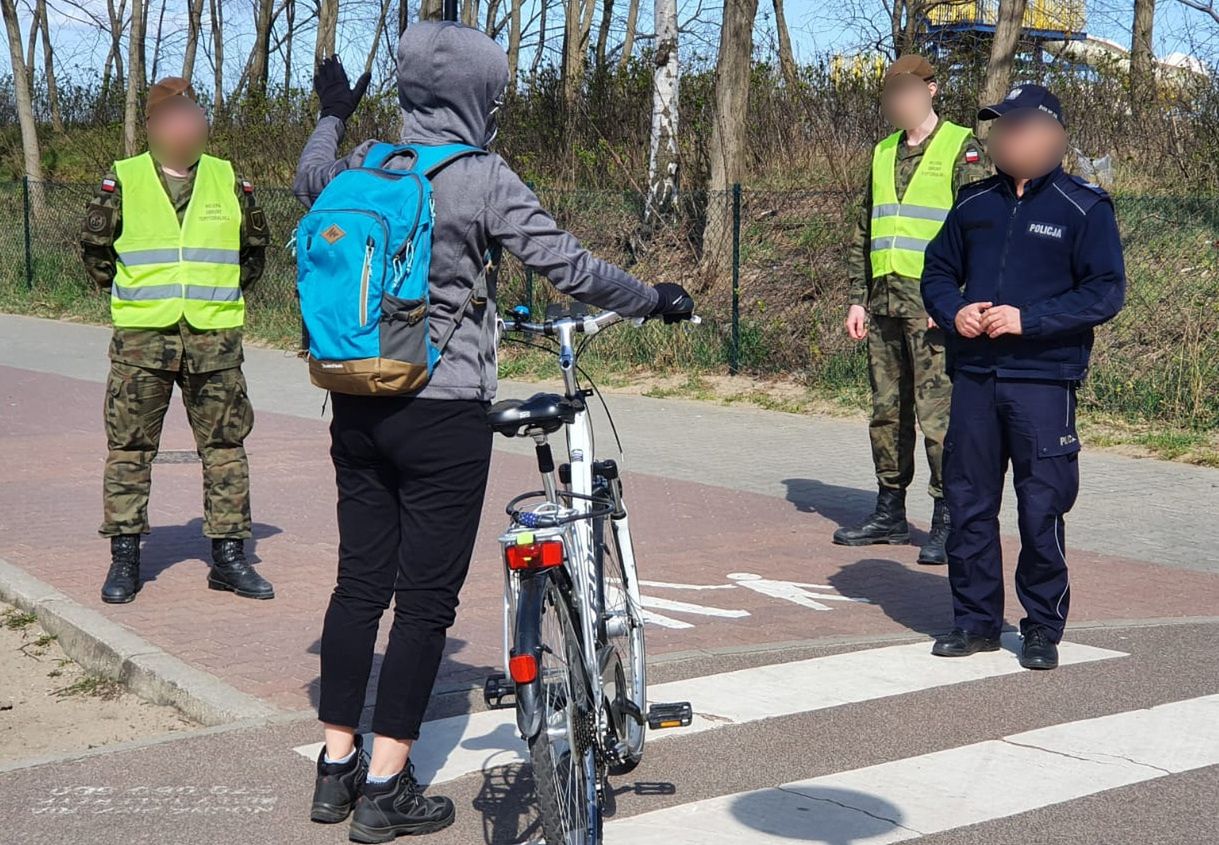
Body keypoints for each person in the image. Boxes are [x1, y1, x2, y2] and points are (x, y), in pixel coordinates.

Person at [292, 22, 694, 841]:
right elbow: (569, 269)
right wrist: (652, 297)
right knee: (425, 602)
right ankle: (385, 785)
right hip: (441, 411)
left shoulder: (360, 163)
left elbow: (307, 178)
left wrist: (333, 112)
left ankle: (333, 770)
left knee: (360, 582)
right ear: (480, 97)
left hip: (353, 399)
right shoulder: (478, 176)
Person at [921, 84, 1126, 670]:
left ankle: (1041, 627)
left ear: (1048, 131)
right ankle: (975, 622)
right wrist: (952, 309)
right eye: (999, 127)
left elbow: (1105, 293)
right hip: (976, 378)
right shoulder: (972, 203)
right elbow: (936, 271)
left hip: (1042, 382)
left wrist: (1028, 320)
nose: (1004, 136)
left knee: (1041, 508)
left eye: (1015, 125)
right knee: (968, 504)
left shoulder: (1083, 206)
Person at [81, 77, 274, 605]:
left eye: (191, 116)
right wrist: (133, 300)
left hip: (214, 341)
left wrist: (217, 302)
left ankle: (230, 559)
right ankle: (125, 559)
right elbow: (96, 252)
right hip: (143, 341)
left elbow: (252, 253)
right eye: (171, 118)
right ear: (152, 127)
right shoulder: (123, 180)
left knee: (226, 449)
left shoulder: (229, 180)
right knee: (129, 450)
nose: (183, 126)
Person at [836, 54, 992, 565]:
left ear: (931, 90)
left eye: (908, 92)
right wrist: (858, 297)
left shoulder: (961, 148)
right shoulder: (882, 152)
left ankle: (948, 517)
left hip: (933, 309)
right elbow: (866, 228)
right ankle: (890, 511)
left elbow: (979, 231)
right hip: (882, 303)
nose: (899, 103)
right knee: (886, 413)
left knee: (939, 418)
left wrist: (953, 300)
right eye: (892, 95)